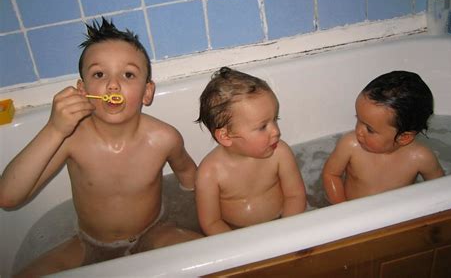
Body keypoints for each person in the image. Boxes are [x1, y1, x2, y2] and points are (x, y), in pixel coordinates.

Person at [0, 18, 202, 277]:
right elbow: (8, 197)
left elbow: (189, 177)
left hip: (155, 231)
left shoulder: (163, 138)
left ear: (147, 92)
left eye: (128, 74)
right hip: (87, 243)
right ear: (82, 90)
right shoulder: (70, 138)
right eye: (99, 74)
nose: (113, 85)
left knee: (211, 256)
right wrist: (55, 129)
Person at [195, 67, 307, 236]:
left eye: (275, 119)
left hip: (283, 222)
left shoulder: (280, 153)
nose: (276, 131)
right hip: (234, 232)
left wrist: (287, 231)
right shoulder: (209, 173)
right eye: (263, 127)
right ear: (225, 136)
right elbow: (211, 222)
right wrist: (239, 246)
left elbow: (296, 195)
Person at [322, 70, 445, 204]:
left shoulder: (420, 158)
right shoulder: (351, 145)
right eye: (358, 119)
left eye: (369, 129)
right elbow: (331, 175)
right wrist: (342, 208)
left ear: (404, 137)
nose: (359, 131)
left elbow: (440, 189)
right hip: (355, 215)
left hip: (396, 216)